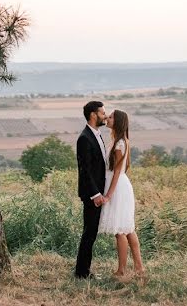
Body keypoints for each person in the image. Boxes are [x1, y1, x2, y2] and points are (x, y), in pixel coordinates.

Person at [97, 109, 145, 280]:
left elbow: (117, 171)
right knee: (127, 227)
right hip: (119, 184)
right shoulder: (117, 140)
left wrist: (109, 194)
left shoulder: (120, 144)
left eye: (110, 117)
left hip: (117, 186)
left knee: (120, 230)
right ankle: (139, 267)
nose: (107, 119)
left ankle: (122, 270)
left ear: (117, 122)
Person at [74, 100, 108, 279]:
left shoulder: (96, 134)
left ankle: (83, 271)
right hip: (91, 194)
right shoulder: (84, 138)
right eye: (102, 113)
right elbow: (85, 170)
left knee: (91, 232)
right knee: (89, 233)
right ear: (93, 115)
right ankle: (82, 273)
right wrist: (95, 194)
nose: (105, 116)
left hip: (98, 192)